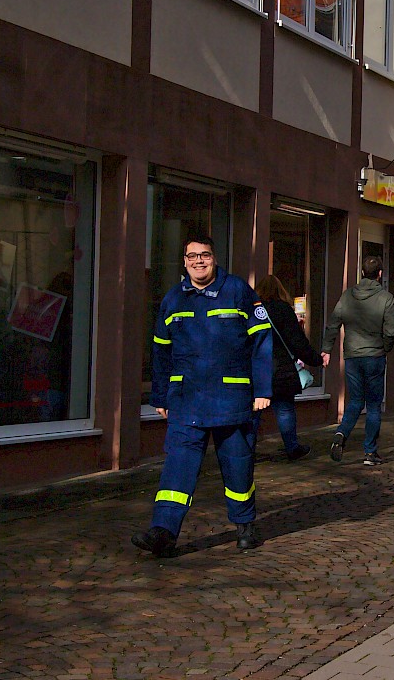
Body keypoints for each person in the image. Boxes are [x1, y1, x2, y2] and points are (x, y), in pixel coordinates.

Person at [131, 235, 273, 558]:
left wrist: (263, 390)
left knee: (238, 468)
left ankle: (245, 526)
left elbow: (262, 342)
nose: (198, 261)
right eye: (192, 256)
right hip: (187, 401)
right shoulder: (173, 300)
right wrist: (160, 396)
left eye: (204, 255)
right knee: (177, 469)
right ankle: (163, 533)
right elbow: (161, 352)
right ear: (184, 262)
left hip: (231, 400)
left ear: (214, 258)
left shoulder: (237, 291)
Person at [321, 256, 394, 466]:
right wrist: (385, 348)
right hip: (374, 357)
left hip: (353, 357)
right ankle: (370, 453)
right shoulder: (386, 298)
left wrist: (326, 349)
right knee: (373, 405)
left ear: (362, 273)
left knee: (355, 401)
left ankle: (341, 434)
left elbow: (333, 324)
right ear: (380, 274)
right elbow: (391, 330)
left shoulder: (347, 296)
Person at [255, 274, 323, 461]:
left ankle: (246, 449)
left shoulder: (252, 311)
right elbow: (297, 342)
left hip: (257, 368)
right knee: (284, 409)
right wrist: (316, 359)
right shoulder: (284, 310)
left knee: (254, 411)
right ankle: (292, 447)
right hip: (281, 368)